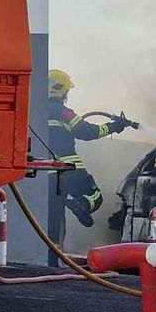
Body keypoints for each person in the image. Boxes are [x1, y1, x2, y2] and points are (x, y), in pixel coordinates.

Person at [46, 69, 131, 227]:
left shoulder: (33, 112)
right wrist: (114, 126)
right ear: (61, 90)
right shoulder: (63, 112)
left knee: (53, 218)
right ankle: (81, 205)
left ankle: (51, 242)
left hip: (44, 173)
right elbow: (88, 132)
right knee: (94, 196)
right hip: (68, 169)